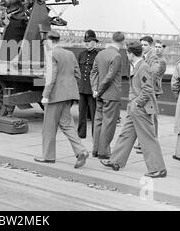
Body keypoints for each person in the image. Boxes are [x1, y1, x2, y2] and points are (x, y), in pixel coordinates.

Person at [100, 42, 167, 178]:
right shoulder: (138, 66)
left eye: (127, 53)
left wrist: (137, 103)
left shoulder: (142, 67)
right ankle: (116, 161)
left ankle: (158, 168)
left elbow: (147, 89)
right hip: (135, 108)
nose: (126, 55)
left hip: (140, 108)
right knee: (126, 134)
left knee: (148, 138)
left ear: (130, 54)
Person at [34, 31, 89, 168]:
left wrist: (45, 95)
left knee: (48, 127)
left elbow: (52, 77)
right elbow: (77, 74)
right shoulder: (70, 54)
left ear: (49, 41)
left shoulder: (51, 54)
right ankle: (81, 150)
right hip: (69, 94)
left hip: (55, 96)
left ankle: (48, 157)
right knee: (67, 124)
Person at [90, 31, 125, 159]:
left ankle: (95, 149)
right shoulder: (117, 56)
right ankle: (103, 152)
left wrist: (95, 89)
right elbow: (110, 77)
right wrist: (99, 90)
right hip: (111, 95)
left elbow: (93, 73)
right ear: (122, 42)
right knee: (108, 124)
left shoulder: (100, 54)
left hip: (99, 95)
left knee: (98, 122)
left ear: (112, 39)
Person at [77, 30, 100, 139]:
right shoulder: (81, 54)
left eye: (89, 41)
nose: (87, 43)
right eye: (85, 41)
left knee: (94, 112)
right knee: (81, 111)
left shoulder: (98, 55)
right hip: (82, 88)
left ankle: (95, 134)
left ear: (94, 42)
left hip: (92, 89)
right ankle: (81, 133)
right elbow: (77, 71)